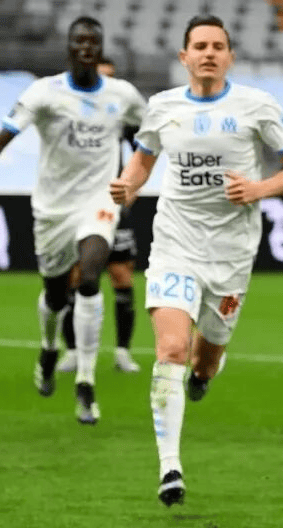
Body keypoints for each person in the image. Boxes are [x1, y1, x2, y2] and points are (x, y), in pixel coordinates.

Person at [109, 15, 283, 507]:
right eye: (199, 46)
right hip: (175, 245)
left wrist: (258, 188)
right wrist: (127, 185)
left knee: (204, 358)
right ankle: (170, 467)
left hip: (231, 255)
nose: (208, 53)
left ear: (230, 57)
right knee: (171, 349)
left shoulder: (256, 106)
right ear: (184, 57)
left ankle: (203, 375)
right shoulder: (162, 107)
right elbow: (142, 161)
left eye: (217, 46)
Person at [0, 16, 147, 424]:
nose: (85, 47)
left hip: (99, 202)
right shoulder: (44, 92)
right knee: (54, 295)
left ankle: (85, 381)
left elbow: (147, 140)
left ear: (99, 50)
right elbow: (7, 133)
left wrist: (133, 180)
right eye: (79, 41)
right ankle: (49, 348)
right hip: (53, 209)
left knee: (90, 277)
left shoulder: (122, 94)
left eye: (92, 42)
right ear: (69, 48)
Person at [57, 56, 141, 374]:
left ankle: (122, 352)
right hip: (76, 205)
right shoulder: (68, 113)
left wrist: (131, 186)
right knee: (75, 276)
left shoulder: (121, 114)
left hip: (112, 204)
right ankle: (73, 351)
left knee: (121, 275)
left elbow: (143, 152)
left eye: (111, 77)